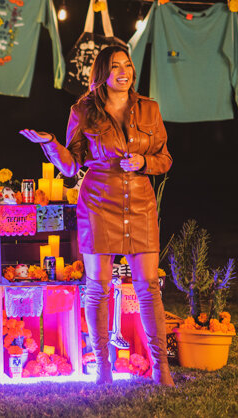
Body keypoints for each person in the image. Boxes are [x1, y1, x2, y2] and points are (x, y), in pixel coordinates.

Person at [20, 45, 174, 386]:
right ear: (102, 73)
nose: (124, 72)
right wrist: (50, 143)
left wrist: (144, 162)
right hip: (99, 203)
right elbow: (71, 166)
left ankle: (161, 368)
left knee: (148, 286)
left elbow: (164, 159)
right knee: (98, 288)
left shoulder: (149, 108)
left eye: (127, 65)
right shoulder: (83, 110)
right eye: (115, 66)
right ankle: (103, 369)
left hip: (140, 203)